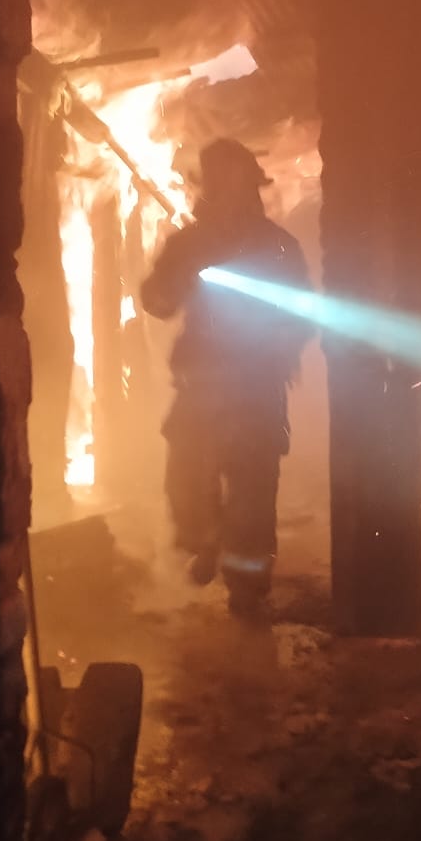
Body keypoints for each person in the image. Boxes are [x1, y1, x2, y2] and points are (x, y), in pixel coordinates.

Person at [139, 138, 313, 615]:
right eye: (223, 185)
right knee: (186, 483)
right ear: (210, 188)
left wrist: (280, 348)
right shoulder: (188, 244)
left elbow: (304, 314)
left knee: (253, 495)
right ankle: (205, 539)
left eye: (240, 186)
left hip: (256, 390)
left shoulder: (279, 247)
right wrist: (175, 277)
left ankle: (247, 592)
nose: (233, 195)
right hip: (201, 387)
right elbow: (157, 302)